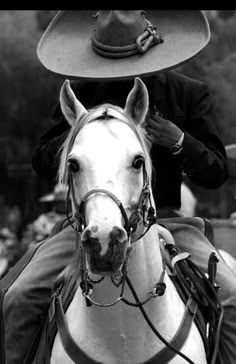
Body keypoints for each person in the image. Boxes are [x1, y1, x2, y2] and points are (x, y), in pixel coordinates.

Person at [1, 10, 235, 364]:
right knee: (19, 296)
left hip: (169, 222)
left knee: (232, 296)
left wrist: (180, 141)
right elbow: (41, 159)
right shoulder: (81, 91)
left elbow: (216, 171)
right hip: (86, 223)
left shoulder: (187, 94)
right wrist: (79, 135)